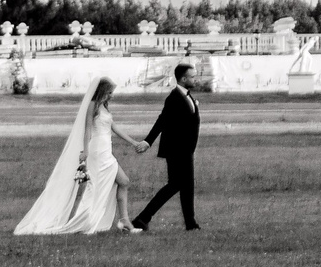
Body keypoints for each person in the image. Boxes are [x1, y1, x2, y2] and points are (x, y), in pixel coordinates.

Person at [13, 77, 145, 235]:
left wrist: (134, 142)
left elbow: (114, 128)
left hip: (106, 150)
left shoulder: (104, 106)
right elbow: (87, 129)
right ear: (102, 91)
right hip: (97, 151)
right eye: (110, 92)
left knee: (123, 182)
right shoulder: (92, 105)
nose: (112, 95)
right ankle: (88, 220)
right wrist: (85, 150)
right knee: (97, 187)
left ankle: (124, 220)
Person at [133, 62, 201, 231]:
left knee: (186, 186)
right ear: (183, 79)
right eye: (193, 76)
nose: (195, 79)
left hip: (186, 150)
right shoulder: (174, 98)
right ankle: (143, 218)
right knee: (176, 185)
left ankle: (190, 224)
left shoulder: (187, 96)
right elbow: (162, 121)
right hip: (177, 151)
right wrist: (148, 141)